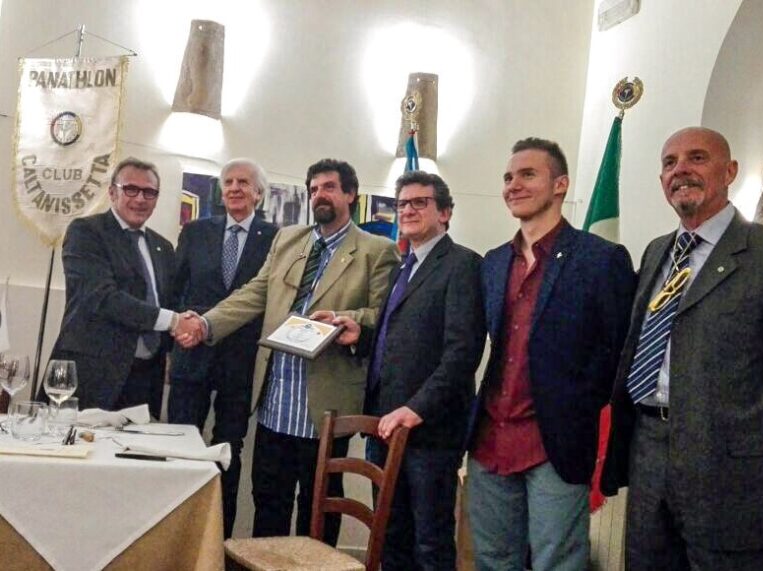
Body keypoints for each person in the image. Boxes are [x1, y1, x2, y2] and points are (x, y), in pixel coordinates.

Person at [601, 127, 763, 570]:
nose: (681, 170)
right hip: (649, 451)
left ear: (730, 171)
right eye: (669, 163)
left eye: (697, 158)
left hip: (736, 474)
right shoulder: (656, 252)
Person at [175, 158, 400, 545]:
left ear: (350, 194)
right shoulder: (288, 240)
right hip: (276, 404)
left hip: (325, 409)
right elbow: (254, 294)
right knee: (268, 505)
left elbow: (386, 315)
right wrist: (206, 324)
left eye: (329, 187)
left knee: (318, 510)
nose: (319, 195)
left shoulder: (376, 251)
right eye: (313, 189)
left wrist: (348, 319)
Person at [466, 137, 636, 570]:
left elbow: (618, 354)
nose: (513, 185)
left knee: (557, 564)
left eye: (528, 174)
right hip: (490, 440)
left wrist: (578, 406)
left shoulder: (601, 259)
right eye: (508, 177)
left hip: (555, 444)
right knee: (493, 561)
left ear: (560, 184)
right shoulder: (493, 262)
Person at [325, 171, 485, 570]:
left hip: (429, 432)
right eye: (402, 204)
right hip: (384, 425)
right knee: (390, 535)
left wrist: (416, 409)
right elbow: (401, 339)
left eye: (419, 202)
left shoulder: (462, 265)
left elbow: (462, 353)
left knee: (429, 543)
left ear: (445, 213)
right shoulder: (403, 265)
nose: (408, 210)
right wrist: (360, 336)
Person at [168, 158, 278, 537]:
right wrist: (172, 342)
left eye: (243, 182)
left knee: (229, 451)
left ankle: (219, 540)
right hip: (191, 356)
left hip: (241, 363)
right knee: (181, 445)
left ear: (258, 193)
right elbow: (175, 290)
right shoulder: (196, 231)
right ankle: (177, 536)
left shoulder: (276, 238)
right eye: (228, 182)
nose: (234, 188)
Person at [49, 157, 177, 418]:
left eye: (149, 192)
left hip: (145, 378)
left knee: (140, 444)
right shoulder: (86, 232)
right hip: (93, 373)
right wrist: (174, 321)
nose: (140, 198)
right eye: (130, 189)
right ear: (112, 192)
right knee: (81, 443)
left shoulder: (163, 247)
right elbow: (101, 297)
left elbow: (168, 300)